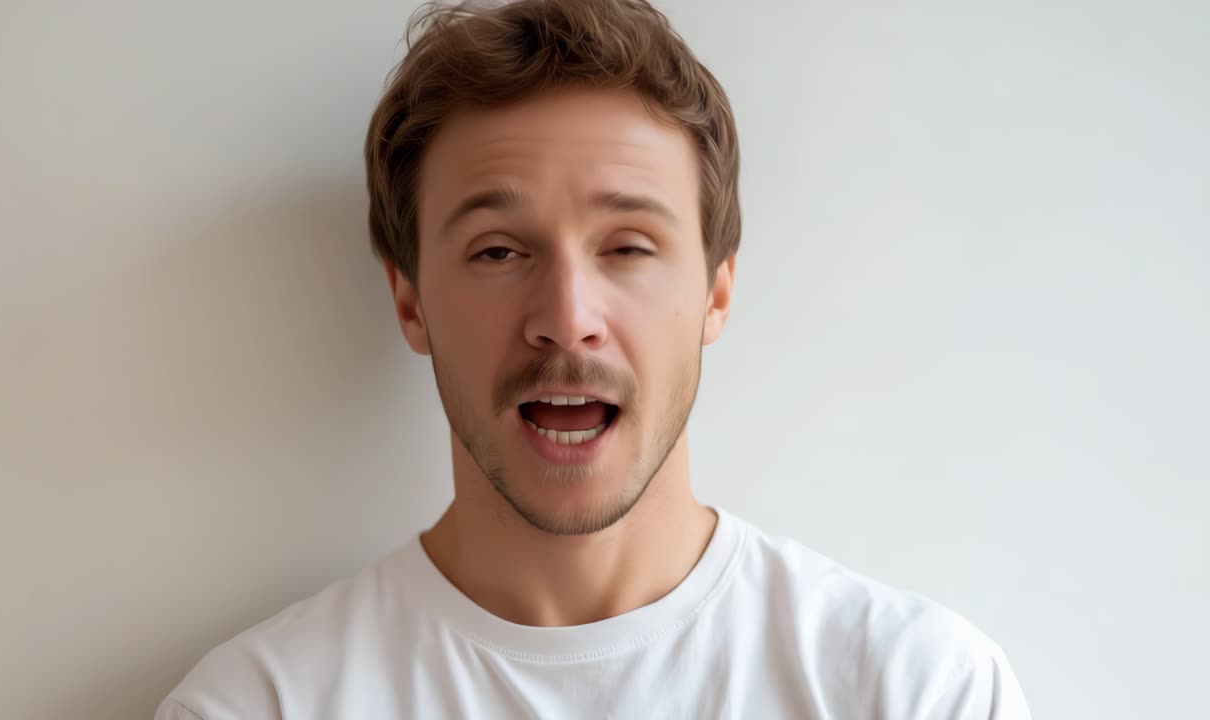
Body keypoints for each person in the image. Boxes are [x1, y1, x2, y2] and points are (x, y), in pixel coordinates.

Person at [157, 0, 1030, 717]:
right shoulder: (259, 705)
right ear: (411, 300)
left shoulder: (918, 690)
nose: (567, 321)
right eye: (499, 251)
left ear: (717, 293)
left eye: (628, 247)